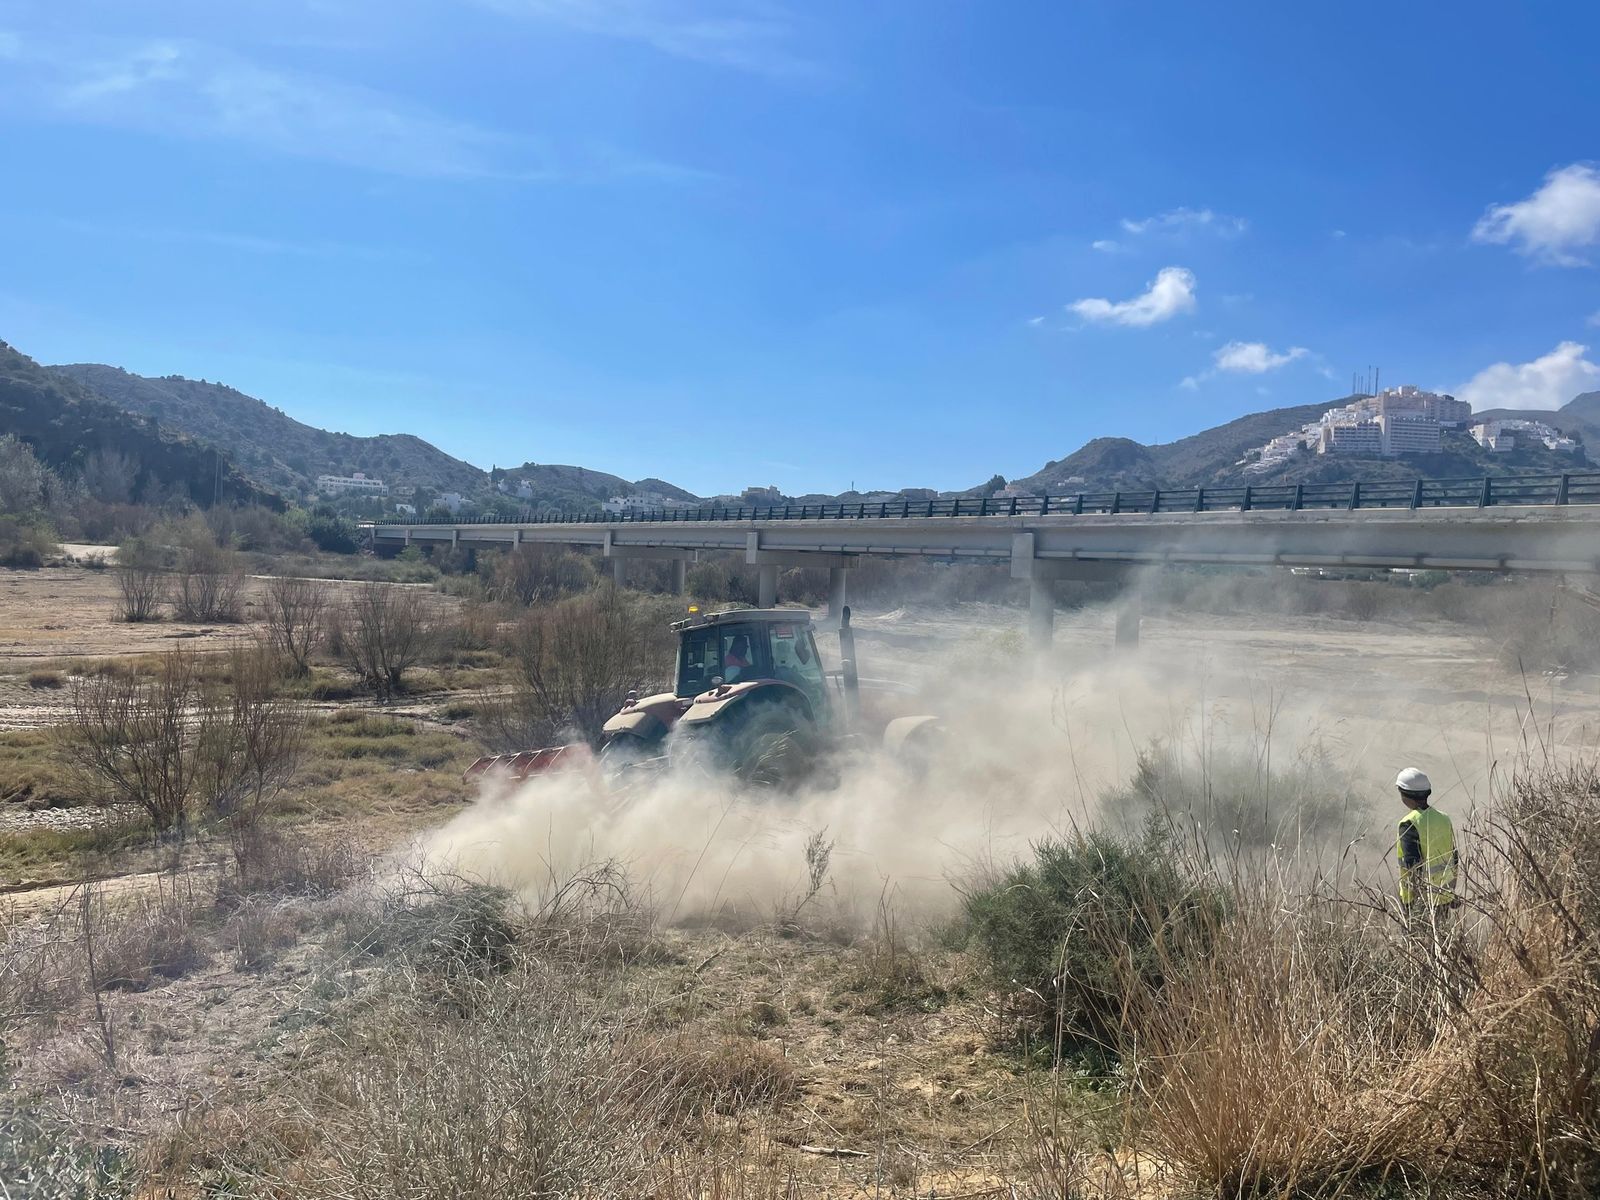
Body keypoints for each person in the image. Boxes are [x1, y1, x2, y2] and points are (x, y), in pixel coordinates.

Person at [1395, 767, 1458, 917]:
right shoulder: (1444, 818)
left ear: (1404, 794)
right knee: (1441, 938)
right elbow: (1454, 857)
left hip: (1420, 901)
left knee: (1417, 939)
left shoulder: (1409, 823)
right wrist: (1451, 893)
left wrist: (1413, 903)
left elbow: (1413, 866)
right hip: (1443, 897)